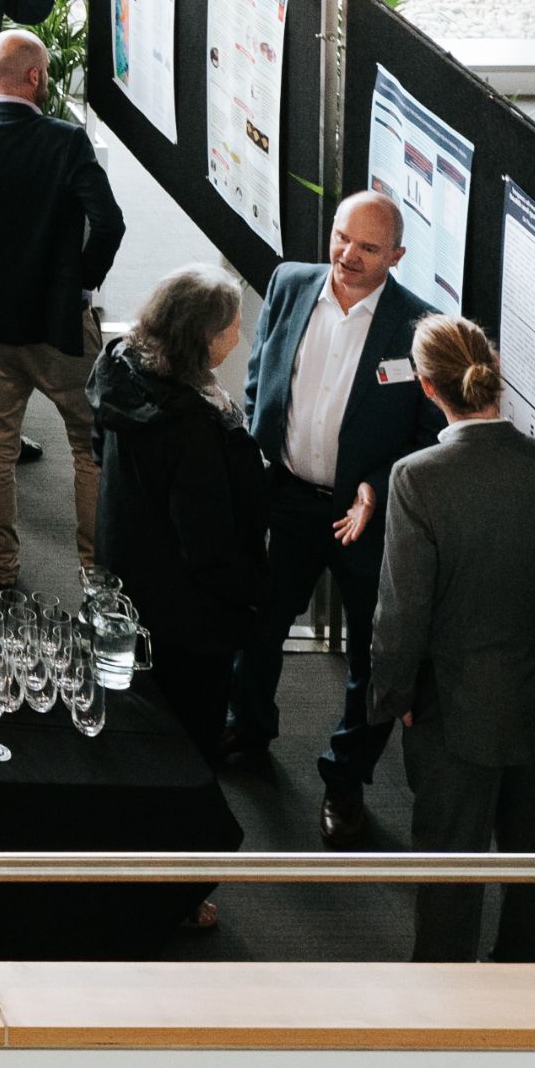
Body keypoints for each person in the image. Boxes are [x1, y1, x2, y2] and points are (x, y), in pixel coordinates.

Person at [223, 188, 437, 841]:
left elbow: (427, 436)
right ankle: (249, 731)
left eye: (368, 248)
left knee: (372, 658)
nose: (347, 255)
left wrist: (375, 485)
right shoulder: (291, 282)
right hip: (287, 497)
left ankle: (345, 782)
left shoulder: (418, 327)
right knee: (257, 624)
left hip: (365, 519)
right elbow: (263, 372)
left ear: (396, 255)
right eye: (342, 237)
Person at [371, 315, 535, 961]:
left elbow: (401, 616)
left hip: (452, 716)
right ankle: (523, 1010)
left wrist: (393, 699)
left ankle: (443, 1011)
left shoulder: (419, 477)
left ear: (429, 388)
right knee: (534, 878)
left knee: (448, 878)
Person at [0, 28, 125, 591]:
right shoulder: (66, 142)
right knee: (88, 449)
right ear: (36, 76)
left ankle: (1, 569)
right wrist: (81, 285)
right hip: (59, 328)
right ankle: (92, 575)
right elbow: (109, 222)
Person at [89, 265, 267, 769]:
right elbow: (208, 546)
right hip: (187, 616)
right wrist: (253, 589)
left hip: (131, 579)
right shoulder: (194, 429)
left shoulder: (121, 369)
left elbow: (99, 447)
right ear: (207, 339)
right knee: (188, 738)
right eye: (232, 324)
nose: (240, 333)